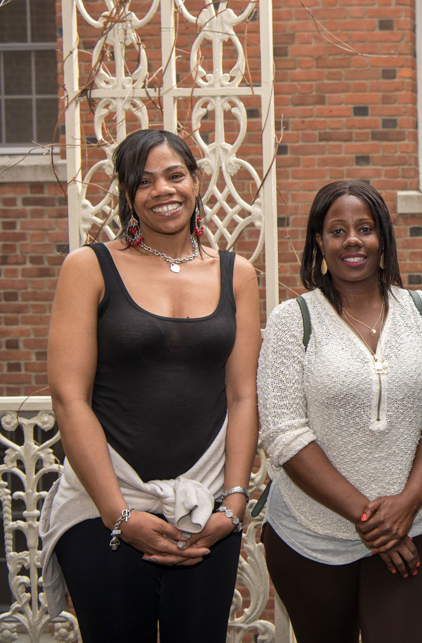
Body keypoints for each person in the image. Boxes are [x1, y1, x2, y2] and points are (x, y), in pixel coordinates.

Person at [40, 129, 260, 642]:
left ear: (197, 181)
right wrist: (120, 515)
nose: (163, 189)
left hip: (204, 511)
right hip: (104, 512)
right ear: (128, 194)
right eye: (145, 181)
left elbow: (242, 396)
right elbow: (69, 398)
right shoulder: (89, 266)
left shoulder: (237, 274)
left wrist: (233, 503)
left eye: (175, 175)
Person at [257, 180, 422, 643]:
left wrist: (407, 504)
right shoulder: (293, 320)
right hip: (309, 536)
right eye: (337, 230)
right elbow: (284, 434)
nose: (352, 241)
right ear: (319, 242)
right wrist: (371, 519)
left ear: (382, 235)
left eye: (364, 228)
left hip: (407, 527)